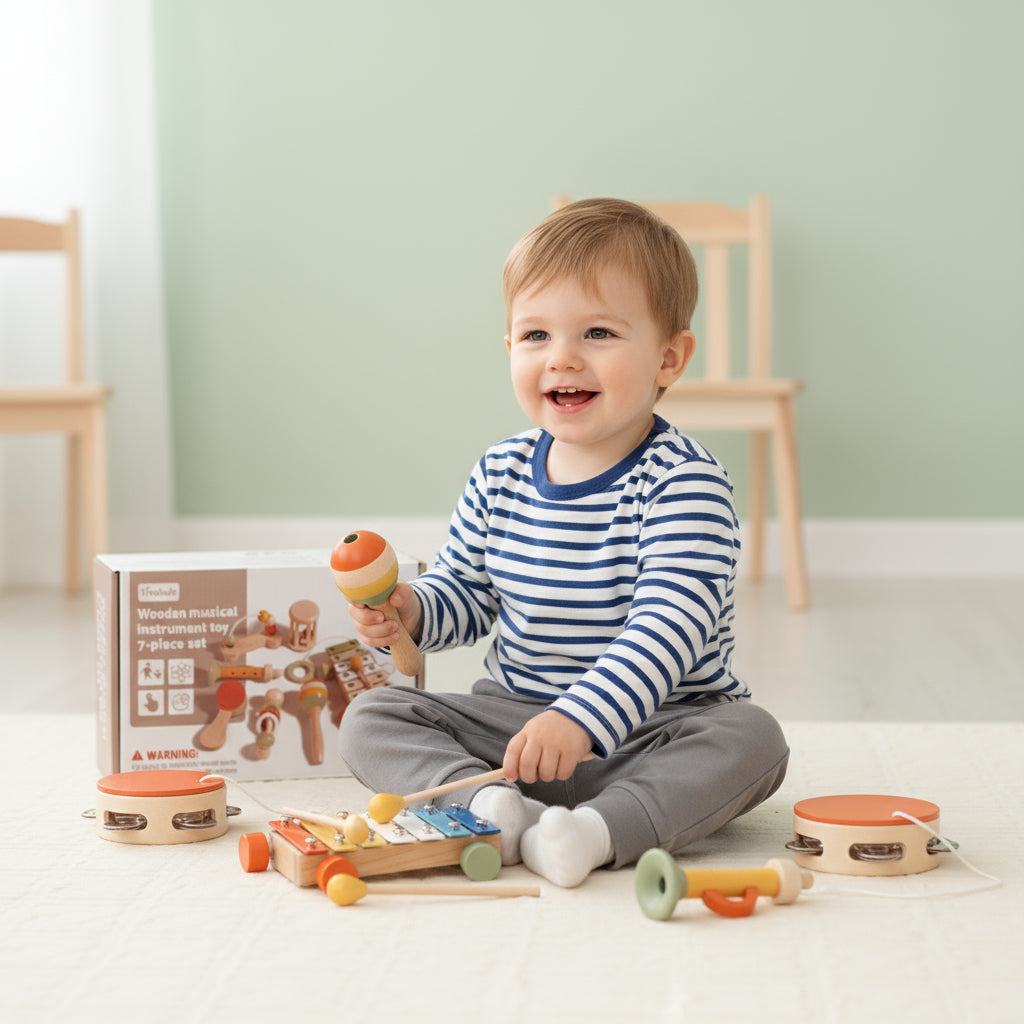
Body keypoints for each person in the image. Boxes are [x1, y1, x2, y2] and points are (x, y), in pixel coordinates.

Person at [338, 198, 789, 887]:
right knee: (372, 714)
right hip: (516, 731)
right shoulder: (501, 470)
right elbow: (470, 592)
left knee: (752, 740)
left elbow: (666, 632)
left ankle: (597, 831)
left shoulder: (686, 483)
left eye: (600, 333)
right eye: (536, 336)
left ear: (670, 357)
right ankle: (488, 805)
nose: (564, 358)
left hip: (654, 731)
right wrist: (412, 610)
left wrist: (579, 720)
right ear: (510, 348)